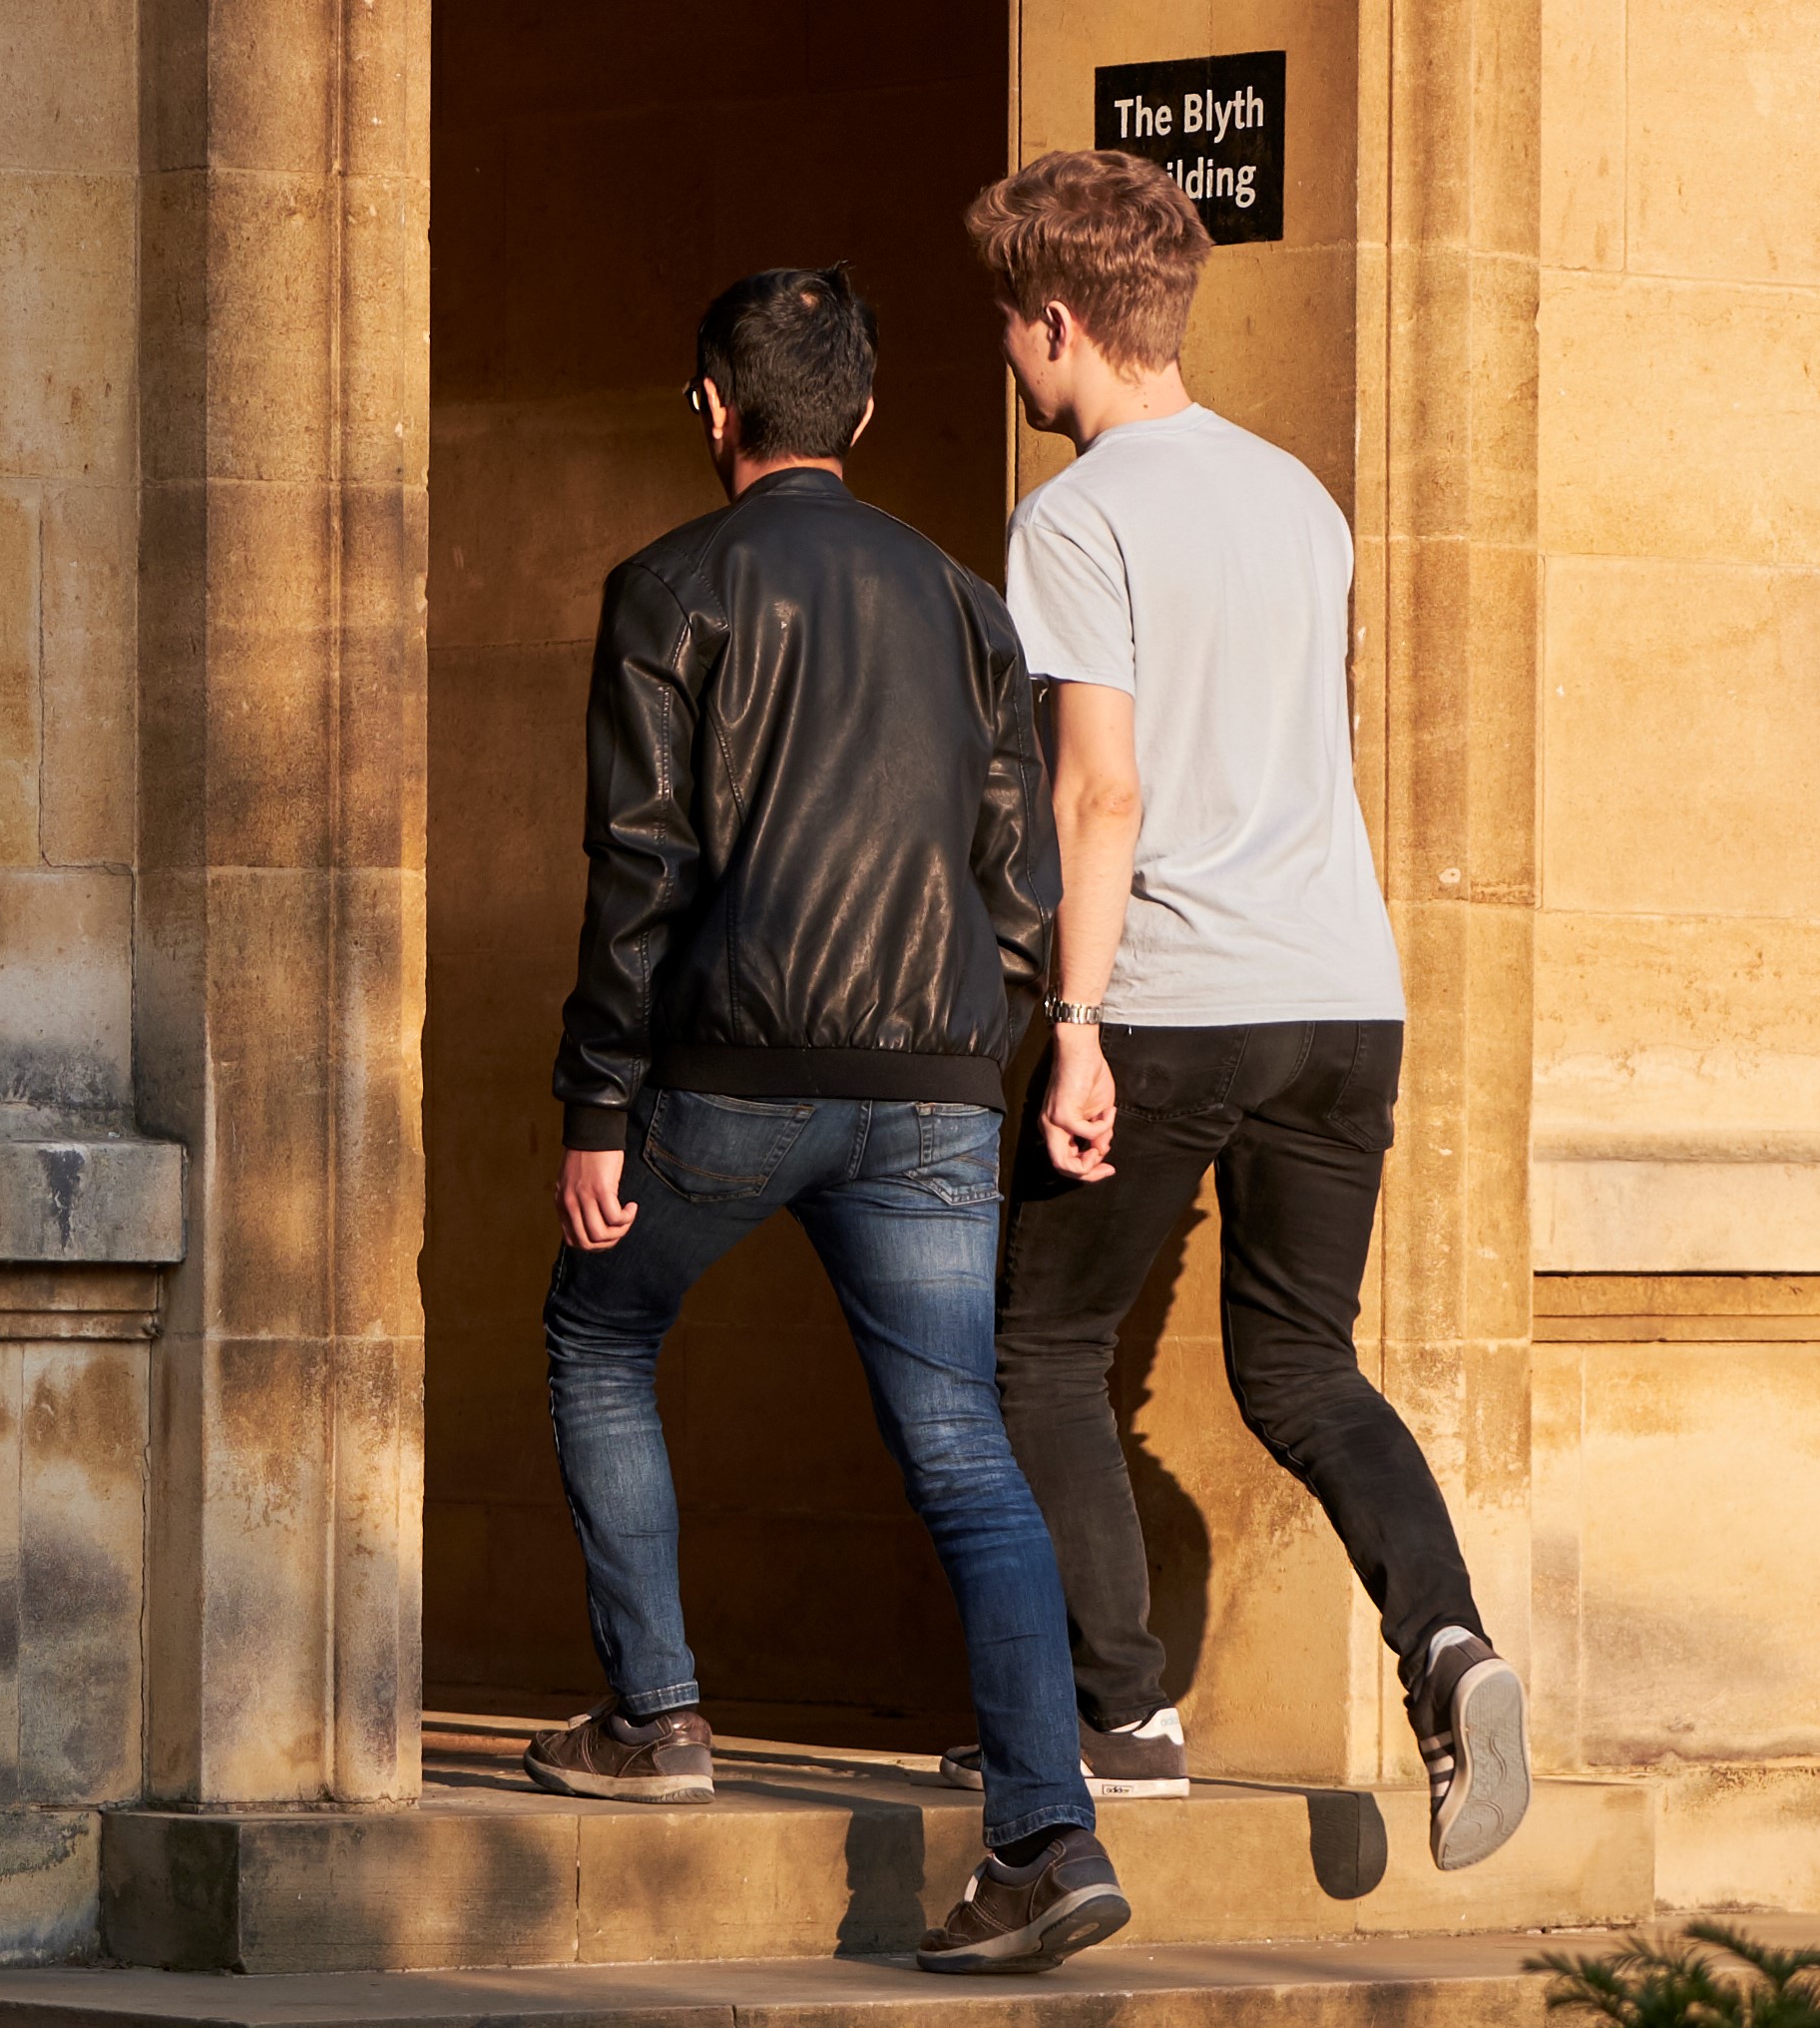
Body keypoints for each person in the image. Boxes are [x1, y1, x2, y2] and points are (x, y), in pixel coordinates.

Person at [523, 265, 1126, 1977]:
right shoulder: (960, 598)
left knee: (593, 1340)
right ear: (858, 414)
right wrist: (981, 1040)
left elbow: (638, 872)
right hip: (932, 1087)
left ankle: (658, 1720)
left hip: (727, 1074)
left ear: (712, 409)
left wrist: (597, 1105)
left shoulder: (668, 588)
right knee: (964, 1454)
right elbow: (1020, 877)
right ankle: (1043, 1835)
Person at [934, 152, 1531, 1871]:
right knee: (1300, 1363)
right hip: (1345, 994)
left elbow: (1099, 793)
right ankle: (1449, 1647)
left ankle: (1118, 1721)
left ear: (1059, 323)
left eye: (1011, 332)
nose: (1011, 365)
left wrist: (1076, 1019)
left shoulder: (1078, 516)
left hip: (1176, 993)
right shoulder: (1301, 501)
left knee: (1038, 1349)